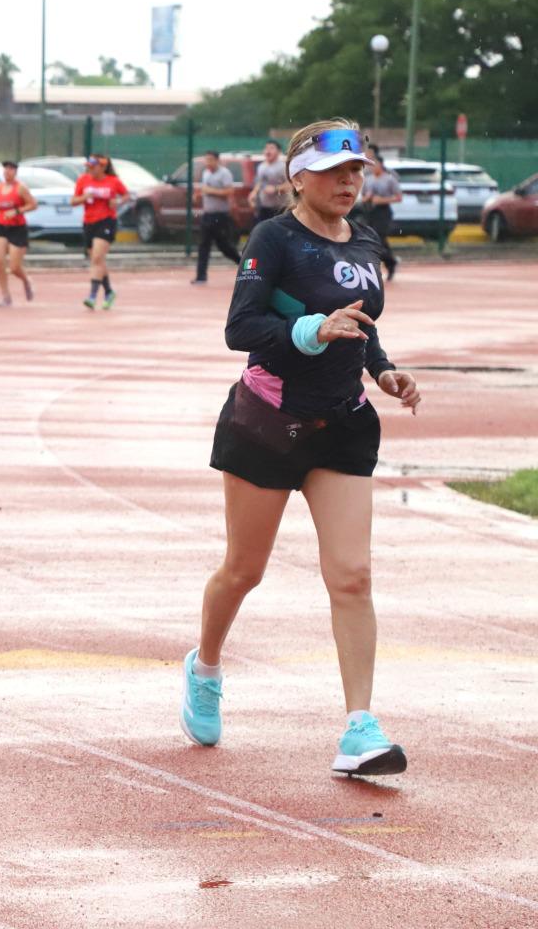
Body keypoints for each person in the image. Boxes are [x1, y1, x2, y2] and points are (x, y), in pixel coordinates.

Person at [181, 118, 421, 777]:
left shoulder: (367, 238)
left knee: (353, 574)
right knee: (244, 570)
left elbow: (361, 326)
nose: (349, 181)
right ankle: (205, 666)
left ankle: (359, 727)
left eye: (356, 170)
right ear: (297, 176)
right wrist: (315, 328)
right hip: (268, 421)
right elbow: (242, 327)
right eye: (335, 170)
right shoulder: (274, 237)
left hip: (344, 422)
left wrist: (384, 369)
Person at [0, 161, 37, 306]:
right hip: (1, 227)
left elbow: (33, 204)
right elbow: (0, 206)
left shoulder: (21, 188)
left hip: (18, 229)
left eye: (10, 169)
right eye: (5, 169)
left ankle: (26, 280)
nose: (7, 172)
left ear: (15, 171)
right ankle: (6, 296)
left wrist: (16, 211)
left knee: (15, 267)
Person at [72, 154, 128, 309]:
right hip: (89, 223)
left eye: (93, 166)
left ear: (102, 166)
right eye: (88, 166)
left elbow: (126, 195)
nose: (90, 169)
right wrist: (84, 197)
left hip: (106, 222)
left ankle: (92, 295)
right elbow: (73, 201)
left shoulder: (113, 181)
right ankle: (109, 291)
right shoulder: (83, 180)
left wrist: (116, 201)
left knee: (97, 258)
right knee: (98, 261)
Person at [192, 150, 241, 285]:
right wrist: (199, 195)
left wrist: (210, 191)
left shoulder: (224, 173)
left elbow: (229, 191)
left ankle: (243, 265)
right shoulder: (206, 173)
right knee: (203, 245)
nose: (207, 162)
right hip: (207, 214)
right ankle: (201, 276)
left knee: (225, 246)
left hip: (220, 216)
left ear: (217, 160)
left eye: (210, 160)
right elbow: (204, 190)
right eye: (206, 160)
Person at [356, 148, 400, 281]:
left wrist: (382, 200)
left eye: (376, 164)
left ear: (381, 165)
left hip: (383, 212)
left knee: (378, 239)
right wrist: (367, 198)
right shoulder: (367, 179)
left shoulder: (389, 179)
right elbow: (362, 197)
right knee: (370, 238)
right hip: (369, 212)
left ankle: (388, 263)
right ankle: (389, 262)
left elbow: (398, 197)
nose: (373, 167)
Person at [248, 139, 290, 226]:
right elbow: (260, 182)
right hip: (264, 207)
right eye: (266, 148)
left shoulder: (283, 166)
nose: (268, 151)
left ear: (278, 152)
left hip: (280, 208)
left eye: (271, 148)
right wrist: (254, 193)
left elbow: (292, 185)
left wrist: (276, 189)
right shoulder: (261, 166)